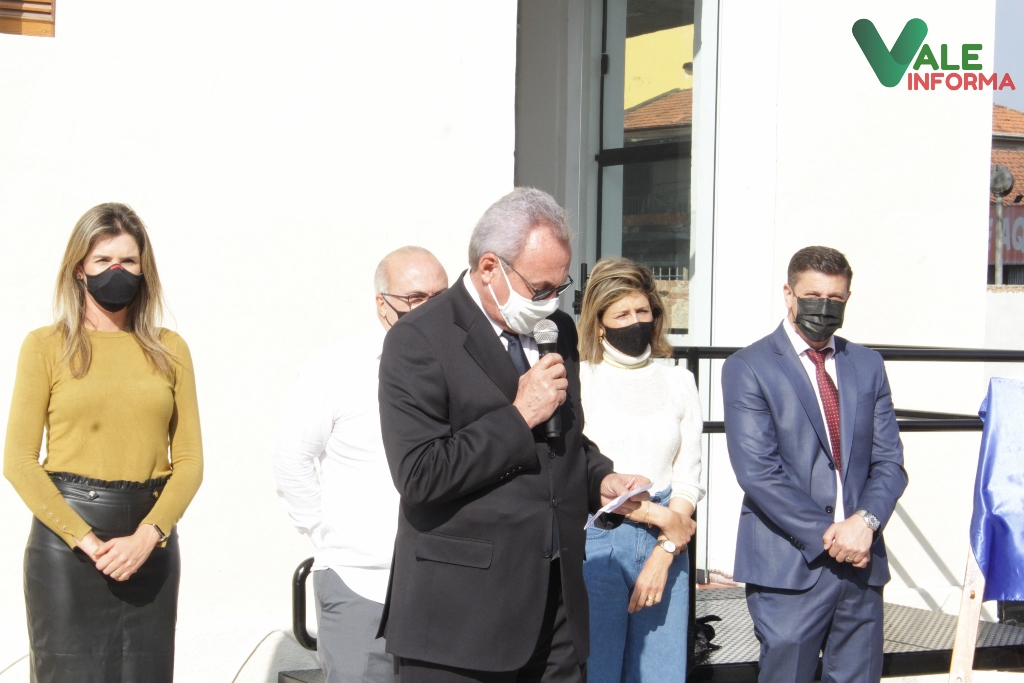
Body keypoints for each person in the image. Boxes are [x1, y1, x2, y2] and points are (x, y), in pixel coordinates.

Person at [376, 187, 651, 682]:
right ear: (490, 268)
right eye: (540, 288)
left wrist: (600, 481)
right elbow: (420, 474)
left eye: (560, 287)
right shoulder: (419, 338)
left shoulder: (556, 329)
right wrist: (518, 414)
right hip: (461, 622)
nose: (551, 301)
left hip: (557, 611)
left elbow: (563, 441)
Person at [3, 203, 203, 683]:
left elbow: (190, 460)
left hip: (149, 547)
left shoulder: (170, 349)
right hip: (68, 550)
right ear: (80, 269)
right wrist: (89, 542)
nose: (117, 271)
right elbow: (18, 461)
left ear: (144, 268)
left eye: (128, 261)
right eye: (103, 261)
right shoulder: (46, 346)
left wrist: (148, 537)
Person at [721, 246, 908, 683]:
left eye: (836, 299)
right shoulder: (748, 367)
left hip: (861, 562)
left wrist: (864, 523)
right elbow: (758, 472)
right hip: (789, 565)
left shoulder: (868, 364)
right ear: (788, 294)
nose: (824, 307)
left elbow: (889, 462)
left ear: (848, 299)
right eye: (813, 296)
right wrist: (832, 536)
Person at [273, 246, 448, 683]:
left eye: (440, 297)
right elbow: (292, 462)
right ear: (381, 304)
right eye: (415, 298)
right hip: (361, 585)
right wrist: (330, 536)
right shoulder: (335, 369)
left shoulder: (462, 368)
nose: (430, 309)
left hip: (441, 585)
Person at [577, 257, 704, 682]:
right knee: (597, 672)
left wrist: (665, 550)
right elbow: (577, 469)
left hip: (668, 544)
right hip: (599, 538)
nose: (635, 322)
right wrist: (657, 516)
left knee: (660, 674)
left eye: (642, 311)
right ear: (599, 324)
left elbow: (688, 477)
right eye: (622, 314)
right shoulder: (580, 379)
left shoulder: (679, 381)